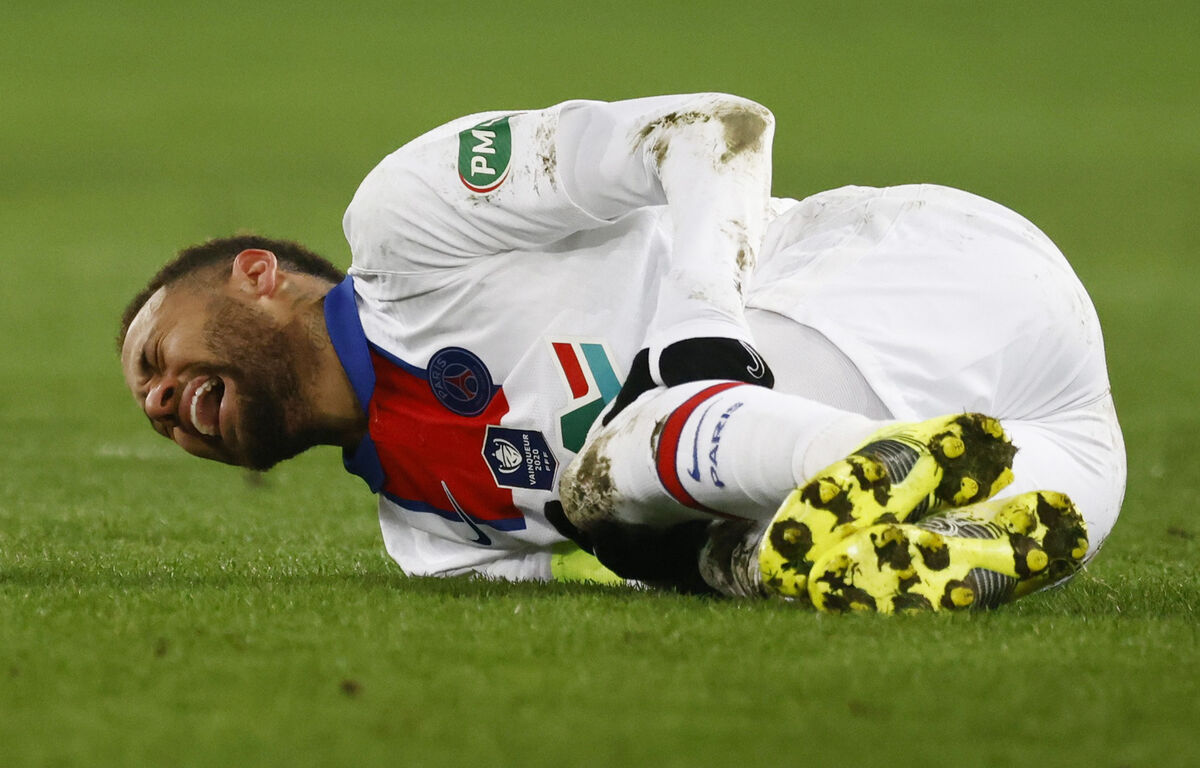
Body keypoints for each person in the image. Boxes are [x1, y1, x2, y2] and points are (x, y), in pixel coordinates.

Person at [118, 93, 1125, 612]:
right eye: (149, 406)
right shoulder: (432, 536)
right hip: (1066, 459)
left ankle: (845, 483)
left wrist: (697, 333)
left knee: (615, 467)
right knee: (672, 539)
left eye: (158, 356)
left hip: (918, 278)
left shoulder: (407, 222)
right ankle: (886, 530)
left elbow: (713, 126)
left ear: (256, 274)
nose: (160, 403)